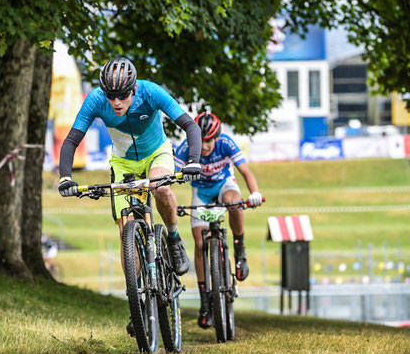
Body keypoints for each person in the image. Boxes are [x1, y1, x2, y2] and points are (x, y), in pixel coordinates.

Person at [57, 56, 202, 280]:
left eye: (122, 95)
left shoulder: (150, 92)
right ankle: (137, 304)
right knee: (127, 231)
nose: (116, 102)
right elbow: (71, 141)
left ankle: (173, 238)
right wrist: (65, 177)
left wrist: (193, 160)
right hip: (123, 162)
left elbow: (190, 125)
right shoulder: (96, 100)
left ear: (133, 89)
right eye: (111, 96)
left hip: (156, 153)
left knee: (160, 188)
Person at [174, 112, 263, 329]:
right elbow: (172, 175)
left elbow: (245, 171)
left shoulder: (226, 143)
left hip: (224, 185)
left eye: (209, 141)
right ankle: (205, 302)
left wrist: (255, 193)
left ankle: (240, 250)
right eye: (201, 140)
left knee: (234, 203)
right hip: (201, 193)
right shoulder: (186, 148)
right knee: (199, 242)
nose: (204, 146)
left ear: (217, 138)